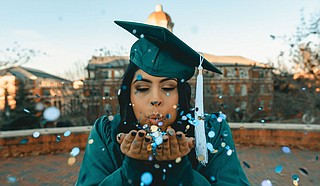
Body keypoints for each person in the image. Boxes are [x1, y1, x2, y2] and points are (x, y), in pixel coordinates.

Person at [76, 20, 249, 186]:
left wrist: (180, 171)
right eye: (142, 88)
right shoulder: (108, 132)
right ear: (129, 95)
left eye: (168, 87)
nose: (156, 99)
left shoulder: (210, 130)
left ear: (181, 95)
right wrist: (132, 171)